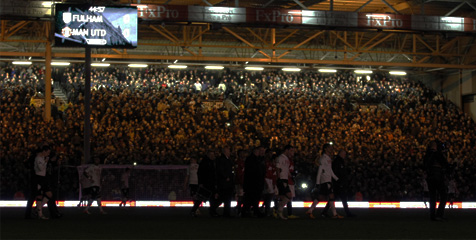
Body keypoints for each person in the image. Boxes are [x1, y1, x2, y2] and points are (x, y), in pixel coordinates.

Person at [324, 149, 355, 217]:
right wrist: (339, 181)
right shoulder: (338, 162)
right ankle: (347, 213)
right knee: (342, 198)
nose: (345, 155)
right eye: (344, 154)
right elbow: (337, 173)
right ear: (340, 153)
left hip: (339, 183)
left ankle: (324, 211)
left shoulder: (339, 161)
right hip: (339, 183)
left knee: (335, 198)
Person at [315, 143, 342, 219]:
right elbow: (320, 171)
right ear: (325, 149)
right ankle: (335, 214)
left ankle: (310, 210)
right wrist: (317, 182)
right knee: (331, 197)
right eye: (330, 148)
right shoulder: (324, 158)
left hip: (327, 180)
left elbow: (329, 170)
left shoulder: (327, 158)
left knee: (321, 197)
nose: (331, 149)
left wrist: (336, 178)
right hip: (326, 180)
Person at [423, 140, 449, 221]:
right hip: (437, 176)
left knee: (432, 196)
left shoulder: (427, 154)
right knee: (443, 195)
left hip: (430, 177)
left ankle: (433, 215)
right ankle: (439, 214)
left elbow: (425, 165)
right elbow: (445, 163)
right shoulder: (437, 154)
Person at [242, 145, 266, 218]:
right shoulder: (254, 160)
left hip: (253, 182)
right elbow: (254, 172)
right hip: (253, 183)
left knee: (251, 198)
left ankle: (248, 211)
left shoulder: (254, 159)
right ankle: (253, 211)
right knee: (252, 197)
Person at [193, 149, 218, 217]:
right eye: (211, 155)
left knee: (207, 198)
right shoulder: (206, 162)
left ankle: (212, 211)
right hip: (206, 183)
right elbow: (200, 173)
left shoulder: (210, 162)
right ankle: (194, 210)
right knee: (203, 197)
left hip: (209, 183)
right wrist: (201, 182)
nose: (213, 156)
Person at [213, 146, 235, 217]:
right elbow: (221, 170)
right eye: (228, 151)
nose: (229, 152)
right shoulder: (223, 160)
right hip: (225, 183)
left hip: (226, 182)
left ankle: (225, 212)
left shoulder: (226, 159)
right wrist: (226, 177)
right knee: (225, 197)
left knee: (225, 198)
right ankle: (224, 212)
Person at [275, 145, 295, 220]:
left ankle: (278, 209)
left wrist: (291, 176)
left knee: (286, 196)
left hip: (285, 179)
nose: (292, 152)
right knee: (288, 195)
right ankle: (279, 209)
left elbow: (286, 169)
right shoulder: (281, 158)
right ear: (287, 150)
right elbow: (277, 168)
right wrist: (279, 178)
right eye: (291, 150)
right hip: (282, 179)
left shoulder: (286, 158)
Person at [262, 149, 277, 217]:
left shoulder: (271, 163)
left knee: (270, 195)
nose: (271, 155)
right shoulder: (265, 162)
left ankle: (265, 209)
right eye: (270, 153)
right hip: (267, 179)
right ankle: (266, 210)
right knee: (269, 195)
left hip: (270, 180)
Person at [234, 149, 246, 217]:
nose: (243, 155)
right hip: (239, 182)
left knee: (242, 196)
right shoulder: (238, 162)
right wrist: (240, 182)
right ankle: (238, 210)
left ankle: (239, 209)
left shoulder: (243, 162)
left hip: (243, 181)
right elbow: (238, 173)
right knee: (240, 196)